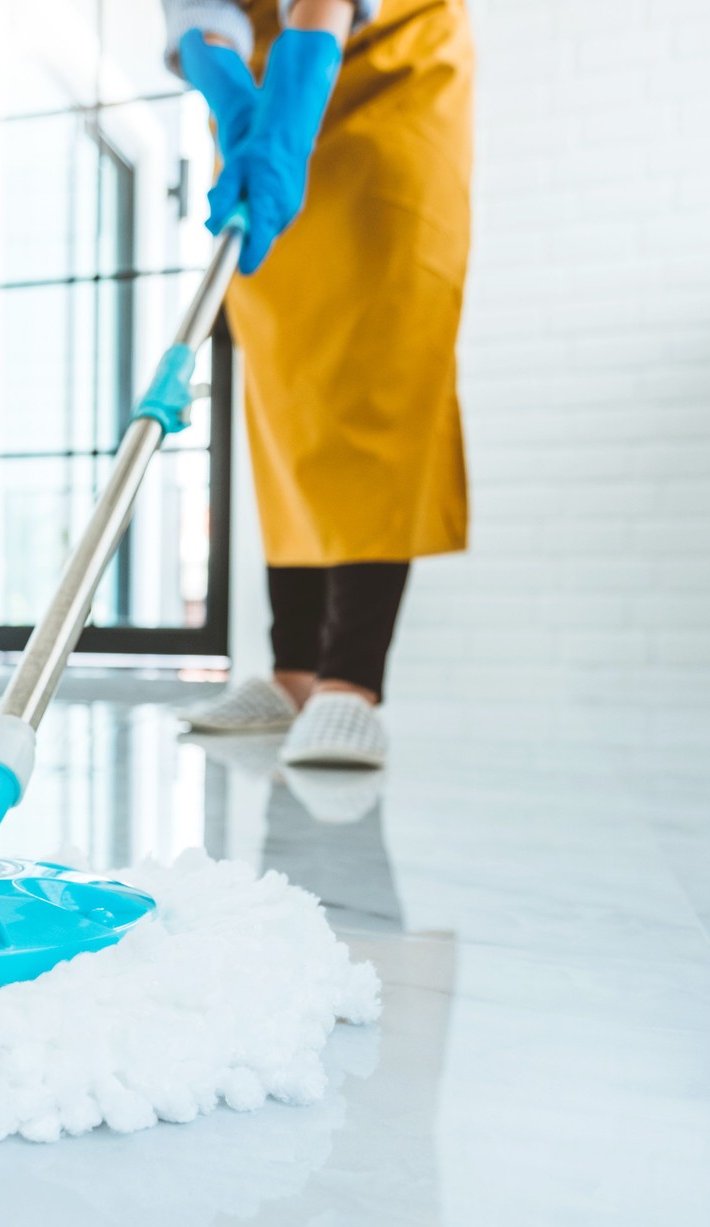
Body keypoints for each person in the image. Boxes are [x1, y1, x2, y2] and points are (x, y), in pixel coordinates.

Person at [166, 0, 474, 768]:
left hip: (385, 61)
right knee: (285, 387)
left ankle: (351, 681)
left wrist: (299, 89)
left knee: (383, 365)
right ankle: (293, 672)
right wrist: (228, 86)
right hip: (269, 93)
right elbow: (200, 14)